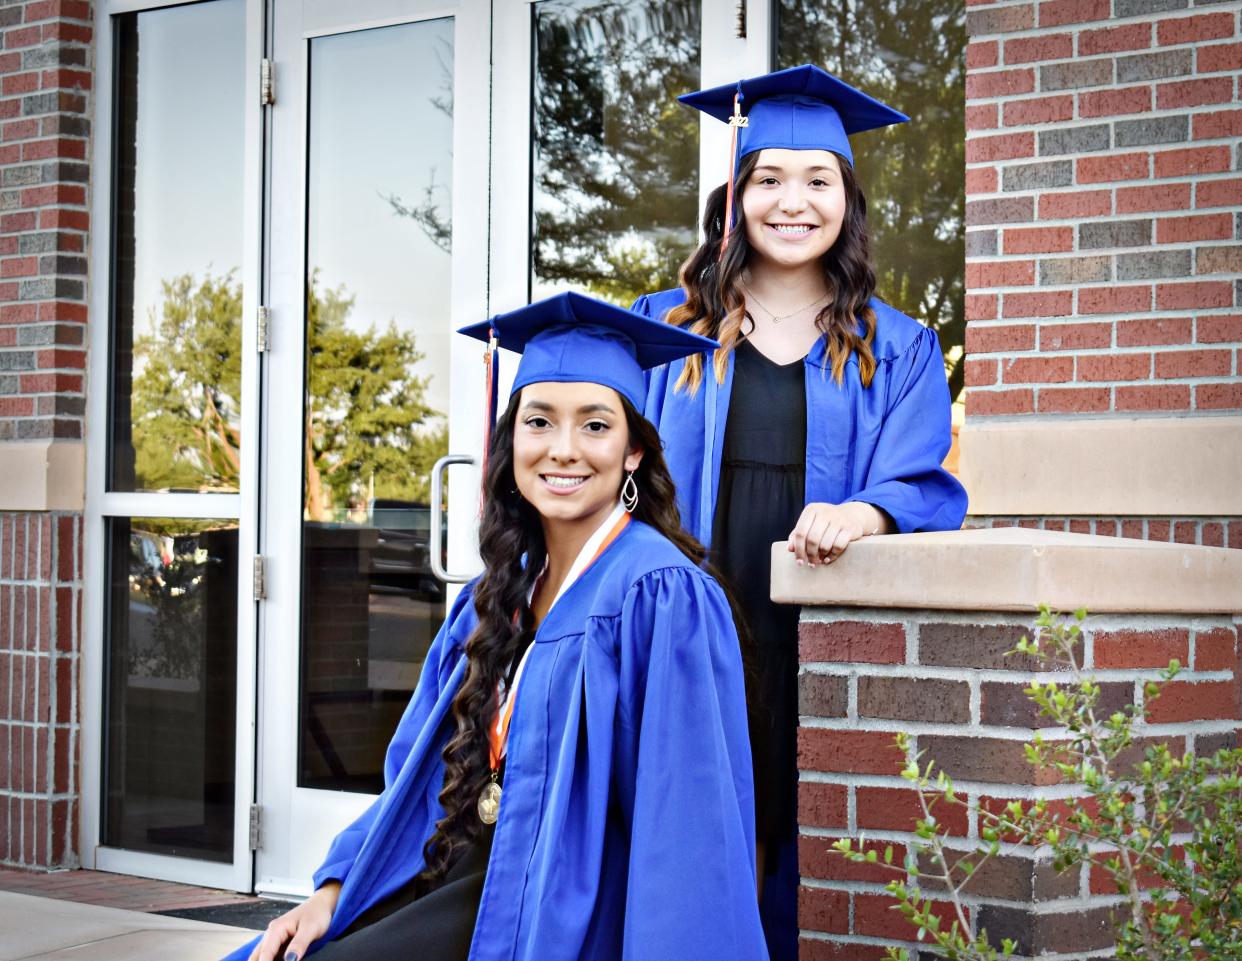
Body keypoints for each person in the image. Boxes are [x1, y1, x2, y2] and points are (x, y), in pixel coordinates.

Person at [224, 291, 768, 961]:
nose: (563, 450)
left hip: (560, 909)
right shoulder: (499, 592)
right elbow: (416, 780)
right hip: (456, 873)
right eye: (540, 422)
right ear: (513, 441)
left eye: (595, 425)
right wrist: (332, 891)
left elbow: (689, 831)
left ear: (633, 452)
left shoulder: (662, 594)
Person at [632, 64, 969, 961]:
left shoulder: (898, 348)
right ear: (735, 196)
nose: (792, 200)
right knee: (684, 825)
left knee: (792, 833)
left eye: (817, 179)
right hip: (687, 625)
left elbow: (918, 478)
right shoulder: (664, 330)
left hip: (809, 629)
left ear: (847, 201)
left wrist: (864, 511)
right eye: (768, 178)